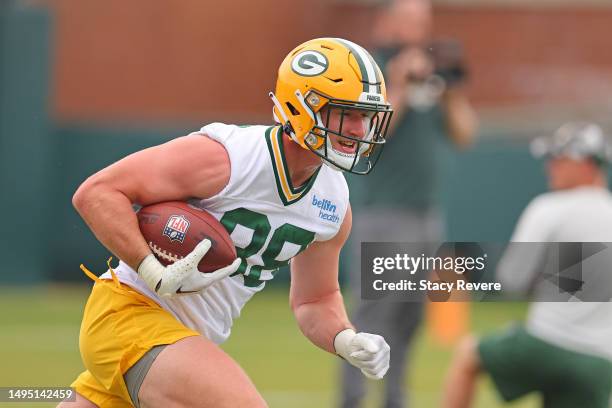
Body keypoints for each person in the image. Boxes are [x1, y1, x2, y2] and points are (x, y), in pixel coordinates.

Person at [58, 37, 395, 408]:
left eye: (365, 116)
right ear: (303, 106)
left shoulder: (333, 203)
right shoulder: (229, 158)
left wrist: (346, 340)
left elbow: (315, 299)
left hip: (181, 342)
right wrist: (151, 268)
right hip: (131, 315)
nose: (359, 130)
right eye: (346, 114)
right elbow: (98, 193)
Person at [340, 0, 478, 407]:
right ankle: (352, 400)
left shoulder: (434, 72)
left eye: (423, 21)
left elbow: (464, 134)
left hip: (426, 216)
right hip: (384, 213)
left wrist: (451, 93)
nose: (418, 29)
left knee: (410, 318)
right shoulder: (371, 71)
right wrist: (399, 85)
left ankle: (394, 400)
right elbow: (369, 135)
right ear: (386, 23)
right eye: (410, 20)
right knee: (369, 320)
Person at [442, 122, 612, 408]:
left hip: (549, 341)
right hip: (601, 361)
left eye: (559, 158)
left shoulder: (549, 207)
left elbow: (512, 280)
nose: (550, 166)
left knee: (467, 357)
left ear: (585, 163)